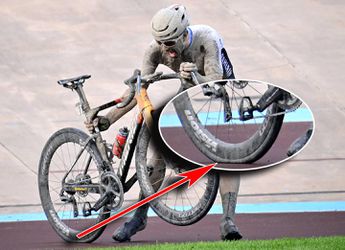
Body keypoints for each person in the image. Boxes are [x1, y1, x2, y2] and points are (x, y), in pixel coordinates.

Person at [85, 4, 242, 242]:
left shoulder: (206, 39)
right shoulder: (155, 49)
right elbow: (138, 92)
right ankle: (139, 217)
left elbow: (215, 82)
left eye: (169, 43)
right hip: (186, 91)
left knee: (226, 157)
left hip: (217, 91)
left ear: (183, 33)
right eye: (159, 42)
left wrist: (195, 77)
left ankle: (228, 220)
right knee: (159, 154)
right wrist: (108, 119)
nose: (164, 48)